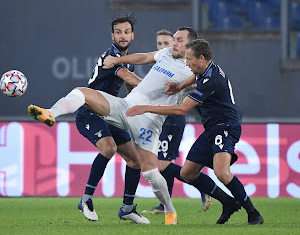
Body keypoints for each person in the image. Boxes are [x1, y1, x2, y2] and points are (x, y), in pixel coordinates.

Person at [28, 27, 239, 225]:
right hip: (126, 106)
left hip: (148, 121)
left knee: (150, 171)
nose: (173, 43)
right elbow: (144, 57)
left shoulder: (195, 75)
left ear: (190, 46)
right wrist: (117, 59)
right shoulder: (166, 53)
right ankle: (51, 113)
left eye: (179, 40)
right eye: (173, 39)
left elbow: (201, 95)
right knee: (81, 92)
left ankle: (169, 209)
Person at [126, 39, 264, 225]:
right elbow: (195, 77)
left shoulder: (211, 81)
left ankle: (253, 213)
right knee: (187, 173)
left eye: (189, 59)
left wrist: (146, 108)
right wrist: (179, 86)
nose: (186, 63)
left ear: (201, 58)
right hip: (212, 129)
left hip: (225, 127)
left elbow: (181, 109)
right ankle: (228, 203)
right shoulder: (206, 69)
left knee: (222, 173)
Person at [74, 13, 149, 224]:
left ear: (132, 35)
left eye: (126, 32)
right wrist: (156, 88)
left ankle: (127, 208)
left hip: (109, 114)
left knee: (135, 161)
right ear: (112, 36)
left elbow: (130, 87)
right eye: (118, 32)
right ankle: (86, 200)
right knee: (109, 148)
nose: (122, 36)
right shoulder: (112, 57)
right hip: (89, 112)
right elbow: (128, 77)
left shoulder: (125, 60)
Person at [141, 29, 212, 215]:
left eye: (167, 43)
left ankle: (202, 184)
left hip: (173, 118)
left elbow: (197, 84)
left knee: (163, 164)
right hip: (162, 118)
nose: (164, 47)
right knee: (164, 162)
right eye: (159, 44)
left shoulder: (185, 67)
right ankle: (164, 204)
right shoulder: (162, 64)